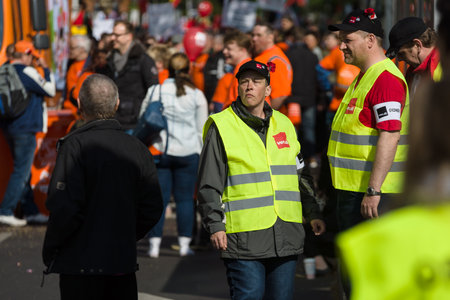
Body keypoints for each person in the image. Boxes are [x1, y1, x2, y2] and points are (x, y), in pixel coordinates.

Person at [336, 3, 450, 298]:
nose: (402, 60)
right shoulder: (416, 73)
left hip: (403, 188)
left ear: (417, 44)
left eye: (402, 54)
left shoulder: (436, 74)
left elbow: (392, 133)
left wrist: (374, 190)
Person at [197, 60, 325, 299]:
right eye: (244, 81)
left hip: (285, 232)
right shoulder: (222, 126)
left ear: (268, 90)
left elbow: (300, 173)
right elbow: (208, 182)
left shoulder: (284, 124)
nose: (249, 86)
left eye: (256, 82)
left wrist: (313, 212)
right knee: (250, 296)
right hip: (243, 238)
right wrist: (215, 225)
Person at [42, 74, 163, 300]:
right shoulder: (136, 148)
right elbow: (152, 206)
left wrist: (51, 249)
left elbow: (64, 206)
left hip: (79, 265)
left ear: (79, 105)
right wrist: (124, 233)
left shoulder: (74, 146)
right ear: (116, 104)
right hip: (120, 262)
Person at [327, 8, 409, 231]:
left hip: (372, 196)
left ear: (370, 40)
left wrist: (374, 190)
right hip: (355, 190)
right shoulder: (366, 76)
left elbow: (390, 136)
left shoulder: (385, 80)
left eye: (348, 40)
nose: (341, 46)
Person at [140, 53, 208, 258]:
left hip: (161, 150)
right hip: (188, 152)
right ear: (188, 70)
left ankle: (153, 246)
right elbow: (202, 128)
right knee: (186, 200)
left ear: (167, 69)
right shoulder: (196, 94)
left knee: (159, 199)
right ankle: (185, 245)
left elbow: (142, 118)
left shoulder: (156, 90)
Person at [0, 40, 55, 227]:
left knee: (22, 170)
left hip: (8, 126)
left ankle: (30, 211)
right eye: (32, 56)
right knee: (21, 171)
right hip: (26, 127)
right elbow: (50, 90)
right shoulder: (27, 71)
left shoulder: (4, 69)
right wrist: (46, 70)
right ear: (26, 55)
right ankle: (6, 210)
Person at [102, 20, 158, 131]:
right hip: (113, 120)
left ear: (129, 36)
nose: (113, 38)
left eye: (117, 35)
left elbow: (154, 90)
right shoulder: (110, 60)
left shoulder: (143, 60)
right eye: (112, 34)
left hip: (135, 122)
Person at [386, 17, 441, 99]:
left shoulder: (444, 67)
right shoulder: (413, 73)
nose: (399, 59)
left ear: (417, 45)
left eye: (401, 54)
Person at [252, 22, 293, 110]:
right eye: (253, 35)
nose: (254, 39)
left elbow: (280, 95)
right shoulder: (261, 56)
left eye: (259, 35)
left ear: (270, 37)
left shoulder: (274, 60)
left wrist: (264, 117)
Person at [219, 30, 252, 110]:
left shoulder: (246, 70)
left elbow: (248, 104)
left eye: (229, 49)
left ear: (243, 51)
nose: (224, 51)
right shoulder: (242, 68)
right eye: (225, 48)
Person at [64, 35, 92, 113]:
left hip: (79, 112)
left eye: (72, 48)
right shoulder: (71, 64)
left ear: (82, 49)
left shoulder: (90, 66)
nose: (69, 50)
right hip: (67, 109)